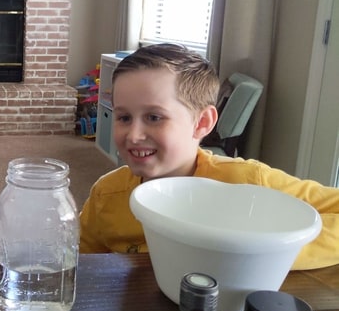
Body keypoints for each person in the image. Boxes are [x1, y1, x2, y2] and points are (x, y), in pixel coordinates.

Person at [79, 43, 339, 270]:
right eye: (124, 117)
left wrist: (265, 253)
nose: (134, 135)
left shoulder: (246, 181)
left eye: (154, 117)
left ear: (202, 122)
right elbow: (82, 262)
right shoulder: (106, 195)